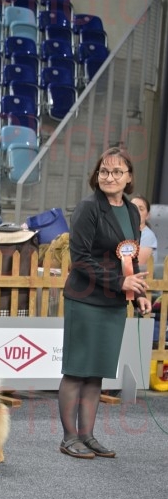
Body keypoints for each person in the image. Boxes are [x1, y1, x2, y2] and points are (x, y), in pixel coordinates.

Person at [58, 146, 152, 460]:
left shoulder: (132, 211)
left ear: (129, 178)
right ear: (96, 175)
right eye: (104, 171)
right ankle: (69, 437)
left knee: (96, 372)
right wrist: (120, 282)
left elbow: (130, 258)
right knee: (76, 371)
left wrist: (138, 294)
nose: (109, 177)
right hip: (85, 300)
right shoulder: (88, 208)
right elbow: (80, 259)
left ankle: (87, 435)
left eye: (116, 172)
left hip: (114, 303)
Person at [131, 194, 158, 267]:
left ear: (147, 215)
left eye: (141, 209)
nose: (136, 211)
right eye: (133, 207)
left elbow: (137, 265)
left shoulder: (148, 236)